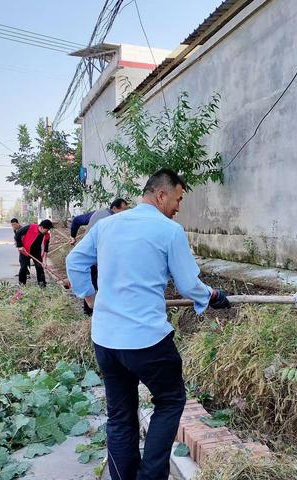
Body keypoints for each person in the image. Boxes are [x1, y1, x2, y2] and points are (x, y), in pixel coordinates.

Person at [66, 169, 230, 480]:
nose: (178, 207)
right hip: (146, 340)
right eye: (179, 199)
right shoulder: (169, 231)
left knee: (120, 415)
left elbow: (75, 262)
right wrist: (213, 296)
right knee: (170, 400)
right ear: (161, 195)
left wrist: (89, 297)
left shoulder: (107, 226)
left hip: (106, 339)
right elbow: (187, 284)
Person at [82, 198, 129, 316]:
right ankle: (94, 310)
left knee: (92, 281)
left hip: (90, 254)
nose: (125, 213)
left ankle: (89, 310)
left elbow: (77, 220)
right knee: (99, 282)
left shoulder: (99, 213)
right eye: (123, 210)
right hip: (97, 256)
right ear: (114, 208)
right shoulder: (110, 219)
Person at [16, 219, 53, 287]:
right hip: (25, 251)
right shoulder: (30, 227)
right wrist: (20, 246)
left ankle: (42, 285)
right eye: (47, 230)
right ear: (41, 227)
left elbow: (45, 249)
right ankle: (22, 285)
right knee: (23, 268)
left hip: (36, 253)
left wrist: (44, 261)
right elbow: (18, 234)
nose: (47, 232)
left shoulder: (47, 235)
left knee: (40, 267)